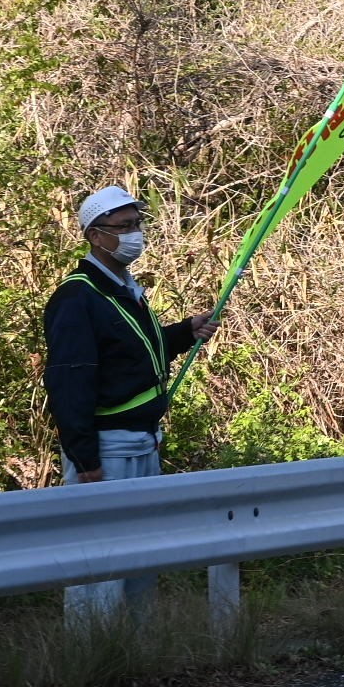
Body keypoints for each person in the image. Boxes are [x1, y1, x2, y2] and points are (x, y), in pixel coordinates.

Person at [43, 185, 219, 624]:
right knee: (99, 564)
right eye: (123, 227)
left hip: (143, 443)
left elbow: (135, 353)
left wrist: (183, 332)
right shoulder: (77, 297)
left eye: (136, 225)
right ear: (95, 235)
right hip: (107, 450)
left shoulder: (124, 287)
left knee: (140, 561)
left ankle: (136, 654)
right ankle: (90, 656)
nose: (133, 235)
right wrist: (84, 458)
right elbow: (70, 380)